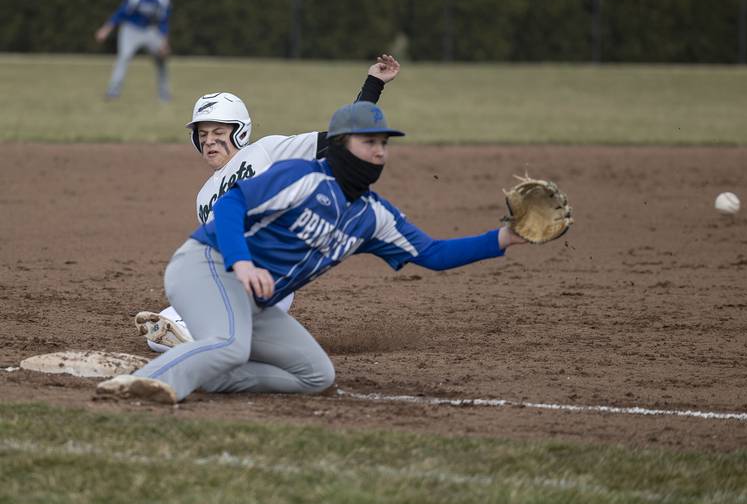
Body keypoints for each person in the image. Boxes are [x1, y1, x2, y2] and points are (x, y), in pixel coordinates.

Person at [96, 101, 529, 404]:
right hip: (206, 265)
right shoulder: (300, 177)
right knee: (229, 342)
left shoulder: (373, 217)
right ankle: (137, 384)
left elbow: (432, 253)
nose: (379, 151)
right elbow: (231, 205)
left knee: (316, 377)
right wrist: (242, 262)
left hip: (255, 301)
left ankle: (209, 379)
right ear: (341, 145)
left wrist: (505, 238)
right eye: (367, 142)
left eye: (383, 143)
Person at [133, 55, 401, 353]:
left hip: (269, 274)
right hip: (228, 280)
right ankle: (217, 338)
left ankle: (218, 340)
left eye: (219, 133)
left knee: (189, 328)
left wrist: (373, 84)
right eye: (203, 135)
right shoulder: (204, 196)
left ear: (240, 132)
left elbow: (341, 137)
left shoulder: (268, 150)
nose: (209, 141)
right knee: (157, 332)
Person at [95, 0, 172, 101]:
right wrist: (105, 29)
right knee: (124, 57)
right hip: (131, 29)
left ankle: (164, 94)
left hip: (151, 30)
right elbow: (121, 12)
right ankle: (113, 92)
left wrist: (164, 43)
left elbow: (164, 21)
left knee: (161, 58)